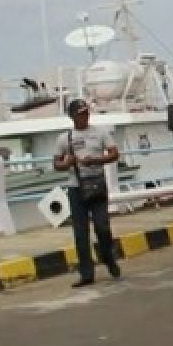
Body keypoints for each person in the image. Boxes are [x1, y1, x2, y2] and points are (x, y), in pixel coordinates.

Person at [53, 98, 122, 286]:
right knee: (81, 232)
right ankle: (86, 273)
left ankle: (108, 258)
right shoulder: (64, 138)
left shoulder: (100, 133)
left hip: (97, 184)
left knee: (102, 227)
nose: (85, 116)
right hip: (76, 187)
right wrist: (67, 163)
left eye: (86, 113)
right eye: (80, 114)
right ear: (73, 117)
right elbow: (56, 163)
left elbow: (114, 153)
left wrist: (97, 160)